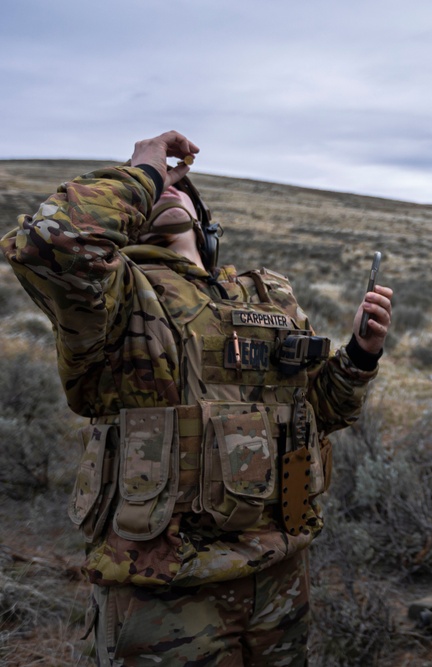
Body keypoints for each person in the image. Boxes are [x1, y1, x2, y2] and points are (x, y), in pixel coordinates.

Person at [2, 130, 393, 666]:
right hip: (168, 589)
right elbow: (48, 243)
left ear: (202, 219)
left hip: (280, 579)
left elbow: (318, 413)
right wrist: (144, 172)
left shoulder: (268, 297)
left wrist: (361, 357)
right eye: (157, 186)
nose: (168, 188)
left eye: (178, 186)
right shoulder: (116, 297)